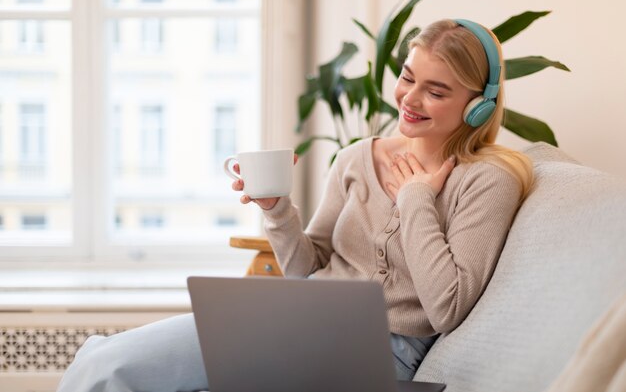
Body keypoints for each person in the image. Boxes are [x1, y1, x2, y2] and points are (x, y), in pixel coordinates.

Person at [56, 19, 533, 392]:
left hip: (376, 353)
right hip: (294, 321)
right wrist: (277, 210)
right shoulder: (355, 159)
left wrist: (416, 201)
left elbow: (447, 307)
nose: (410, 98)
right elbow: (306, 270)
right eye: (409, 78)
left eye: (437, 91)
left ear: (479, 105)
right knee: (101, 360)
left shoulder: (488, 179)